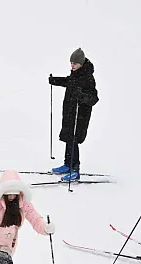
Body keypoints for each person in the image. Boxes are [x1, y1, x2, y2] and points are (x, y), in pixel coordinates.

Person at [0, 170, 54, 255]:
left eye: (15, 194)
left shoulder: (23, 204)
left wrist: (45, 227)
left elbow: (35, 219)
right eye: (9, 194)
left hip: (11, 245)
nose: (12, 197)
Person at [49, 48, 99, 182]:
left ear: (81, 63)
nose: (72, 66)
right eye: (71, 63)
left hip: (80, 115)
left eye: (75, 63)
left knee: (74, 140)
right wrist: (55, 81)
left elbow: (93, 98)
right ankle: (68, 164)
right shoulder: (75, 74)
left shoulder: (88, 78)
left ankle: (75, 170)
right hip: (70, 112)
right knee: (68, 137)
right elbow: (68, 82)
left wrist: (81, 96)